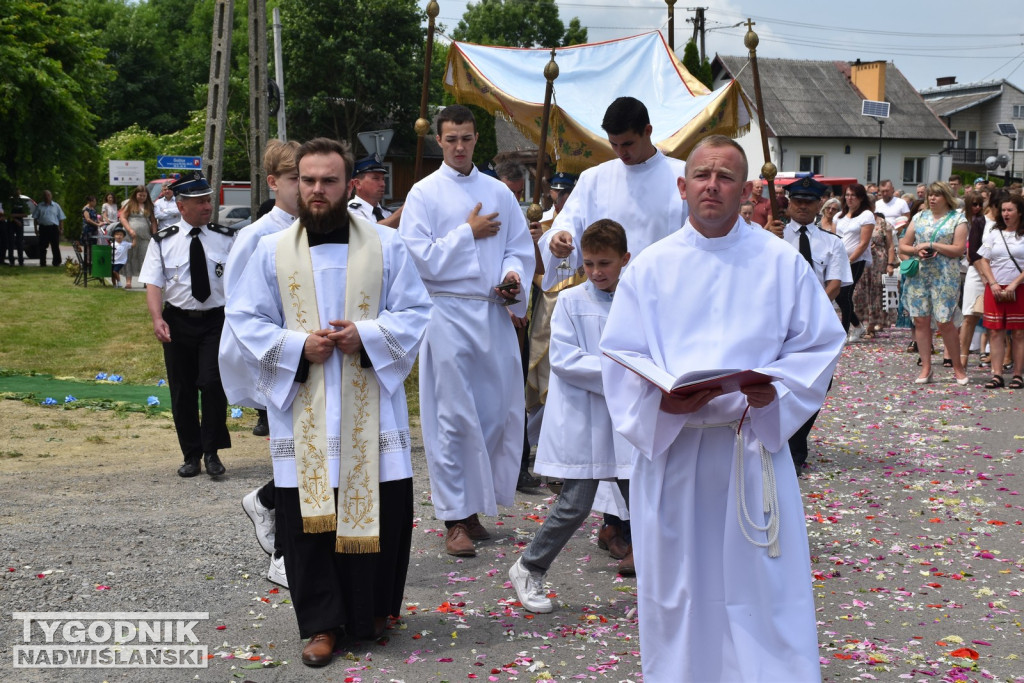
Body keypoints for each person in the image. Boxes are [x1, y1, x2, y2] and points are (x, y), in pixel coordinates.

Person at [600, 135, 845, 682]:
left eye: (726, 176)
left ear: (748, 191)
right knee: (680, 589)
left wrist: (774, 390)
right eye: (703, 175)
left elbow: (820, 343)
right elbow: (621, 354)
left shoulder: (780, 263)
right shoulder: (650, 268)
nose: (713, 185)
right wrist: (663, 400)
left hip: (749, 448)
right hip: (676, 452)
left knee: (762, 587)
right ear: (683, 187)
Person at [224, 137, 431, 667]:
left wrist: (365, 334)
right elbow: (245, 318)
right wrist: (298, 347)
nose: (317, 190)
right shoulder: (272, 251)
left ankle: (370, 613)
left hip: (369, 402)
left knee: (380, 504)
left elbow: (414, 311)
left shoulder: (388, 246)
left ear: (348, 185)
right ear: (295, 183)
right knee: (308, 519)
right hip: (306, 403)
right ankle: (320, 624)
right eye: (308, 180)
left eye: (328, 181)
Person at [399, 104, 535, 557]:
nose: (459, 146)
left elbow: (518, 247)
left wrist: (514, 278)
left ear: (478, 139)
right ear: (439, 140)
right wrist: (466, 233)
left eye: (467, 138)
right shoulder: (423, 193)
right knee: (454, 418)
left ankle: (475, 508)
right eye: (451, 138)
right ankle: (454, 516)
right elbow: (417, 258)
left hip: (492, 311)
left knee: (495, 412)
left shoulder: (498, 191)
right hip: (447, 314)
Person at [509, 219, 633, 613]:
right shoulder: (571, 301)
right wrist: (624, 371)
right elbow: (565, 361)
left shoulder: (638, 300)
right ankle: (529, 566)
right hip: (587, 417)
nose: (596, 272)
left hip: (628, 419)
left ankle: (664, 581)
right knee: (575, 504)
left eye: (605, 264)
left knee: (646, 501)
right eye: (590, 263)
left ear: (624, 260)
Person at [220, 138, 302, 589]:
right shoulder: (255, 236)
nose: (305, 189)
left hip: (314, 359)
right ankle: (284, 555)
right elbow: (240, 309)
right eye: (295, 180)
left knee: (315, 455)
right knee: (291, 455)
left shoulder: (319, 228)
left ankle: (266, 500)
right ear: (274, 183)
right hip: (277, 362)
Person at [138, 170, 238, 477]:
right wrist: (157, 319)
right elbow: (153, 284)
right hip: (178, 321)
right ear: (181, 207)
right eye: (200, 202)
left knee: (211, 384)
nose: (207, 206)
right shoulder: (162, 241)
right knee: (182, 390)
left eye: (208, 200)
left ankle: (212, 452)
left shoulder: (226, 238)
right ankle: (191, 455)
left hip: (215, 322)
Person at [537, 96, 687, 291]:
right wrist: (559, 238)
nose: (620, 152)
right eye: (613, 144)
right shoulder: (594, 179)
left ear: (647, 131)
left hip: (665, 292)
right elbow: (569, 224)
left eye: (627, 144)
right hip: (606, 299)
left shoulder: (683, 176)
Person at [768, 177, 852, 474]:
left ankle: (796, 444)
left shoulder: (831, 243)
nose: (802, 206)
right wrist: (765, 238)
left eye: (808, 202)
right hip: (774, 323)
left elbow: (835, 282)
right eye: (797, 201)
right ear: (788, 203)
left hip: (815, 323)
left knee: (817, 384)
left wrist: (810, 306)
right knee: (777, 384)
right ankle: (781, 446)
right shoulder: (769, 237)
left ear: (819, 205)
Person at [898, 181, 969, 385]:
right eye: (930, 195)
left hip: (945, 275)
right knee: (920, 320)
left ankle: (958, 368)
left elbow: (958, 250)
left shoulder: (958, 219)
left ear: (946, 197)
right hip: (920, 274)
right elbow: (903, 245)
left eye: (937, 195)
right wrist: (916, 250)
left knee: (945, 321)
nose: (932, 198)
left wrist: (932, 244)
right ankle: (926, 369)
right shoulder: (920, 217)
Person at [975, 193, 1024, 389]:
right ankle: (997, 374)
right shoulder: (994, 233)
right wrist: (993, 283)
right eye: (1003, 210)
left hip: (1019, 288)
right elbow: (983, 260)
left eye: (1010, 210)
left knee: (1019, 333)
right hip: (995, 288)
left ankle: (1018, 374)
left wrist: (1014, 284)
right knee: (995, 332)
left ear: (1020, 212)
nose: (1006, 214)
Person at [835, 183, 875, 341]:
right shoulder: (839, 216)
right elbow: (833, 238)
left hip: (856, 260)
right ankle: (857, 326)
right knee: (838, 295)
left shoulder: (866, 215)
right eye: (848, 195)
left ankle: (844, 332)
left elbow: (863, 243)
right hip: (838, 259)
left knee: (845, 293)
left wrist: (850, 260)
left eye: (853, 195)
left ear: (860, 198)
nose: (850, 198)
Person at [959, 190, 991, 368]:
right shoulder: (967, 221)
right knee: (969, 314)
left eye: (980, 204)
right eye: (974, 204)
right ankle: (963, 354)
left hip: (984, 266)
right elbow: (970, 251)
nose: (977, 207)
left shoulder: (983, 221)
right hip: (969, 266)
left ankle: (991, 352)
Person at [119, 185, 157, 289]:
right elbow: (123, 217)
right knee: (130, 257)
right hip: (130, 236)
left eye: (144, 196)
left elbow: (153, 221)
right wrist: (130, 230)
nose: (142, 197)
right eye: (140, 195)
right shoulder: (130, 204)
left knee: (144, 257)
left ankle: (146, 281)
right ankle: (128, 281)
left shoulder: (149, 205)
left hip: (145, 236)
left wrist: (155, 234)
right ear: (136, 194)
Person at [347, 154, 401, 228]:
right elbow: (371, 233)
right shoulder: (351, 212)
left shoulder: (387, 213)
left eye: (383, 179)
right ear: (357, 183)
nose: (383, 184)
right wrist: (402, 211)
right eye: (376, 178)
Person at [32, 190, 65, 266]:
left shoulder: (56, 206)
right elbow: (35, 218)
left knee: (55, 245)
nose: (47, 197)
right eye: (45, 195)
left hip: (53, 228)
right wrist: (35, 229)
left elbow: (61, 218)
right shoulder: (39, 206)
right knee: (42, 246)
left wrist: (61, 228)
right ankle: (42, 262)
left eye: (48, 195)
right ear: (43, 197)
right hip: (43, 228)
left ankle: (56, 262)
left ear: (51, 196)